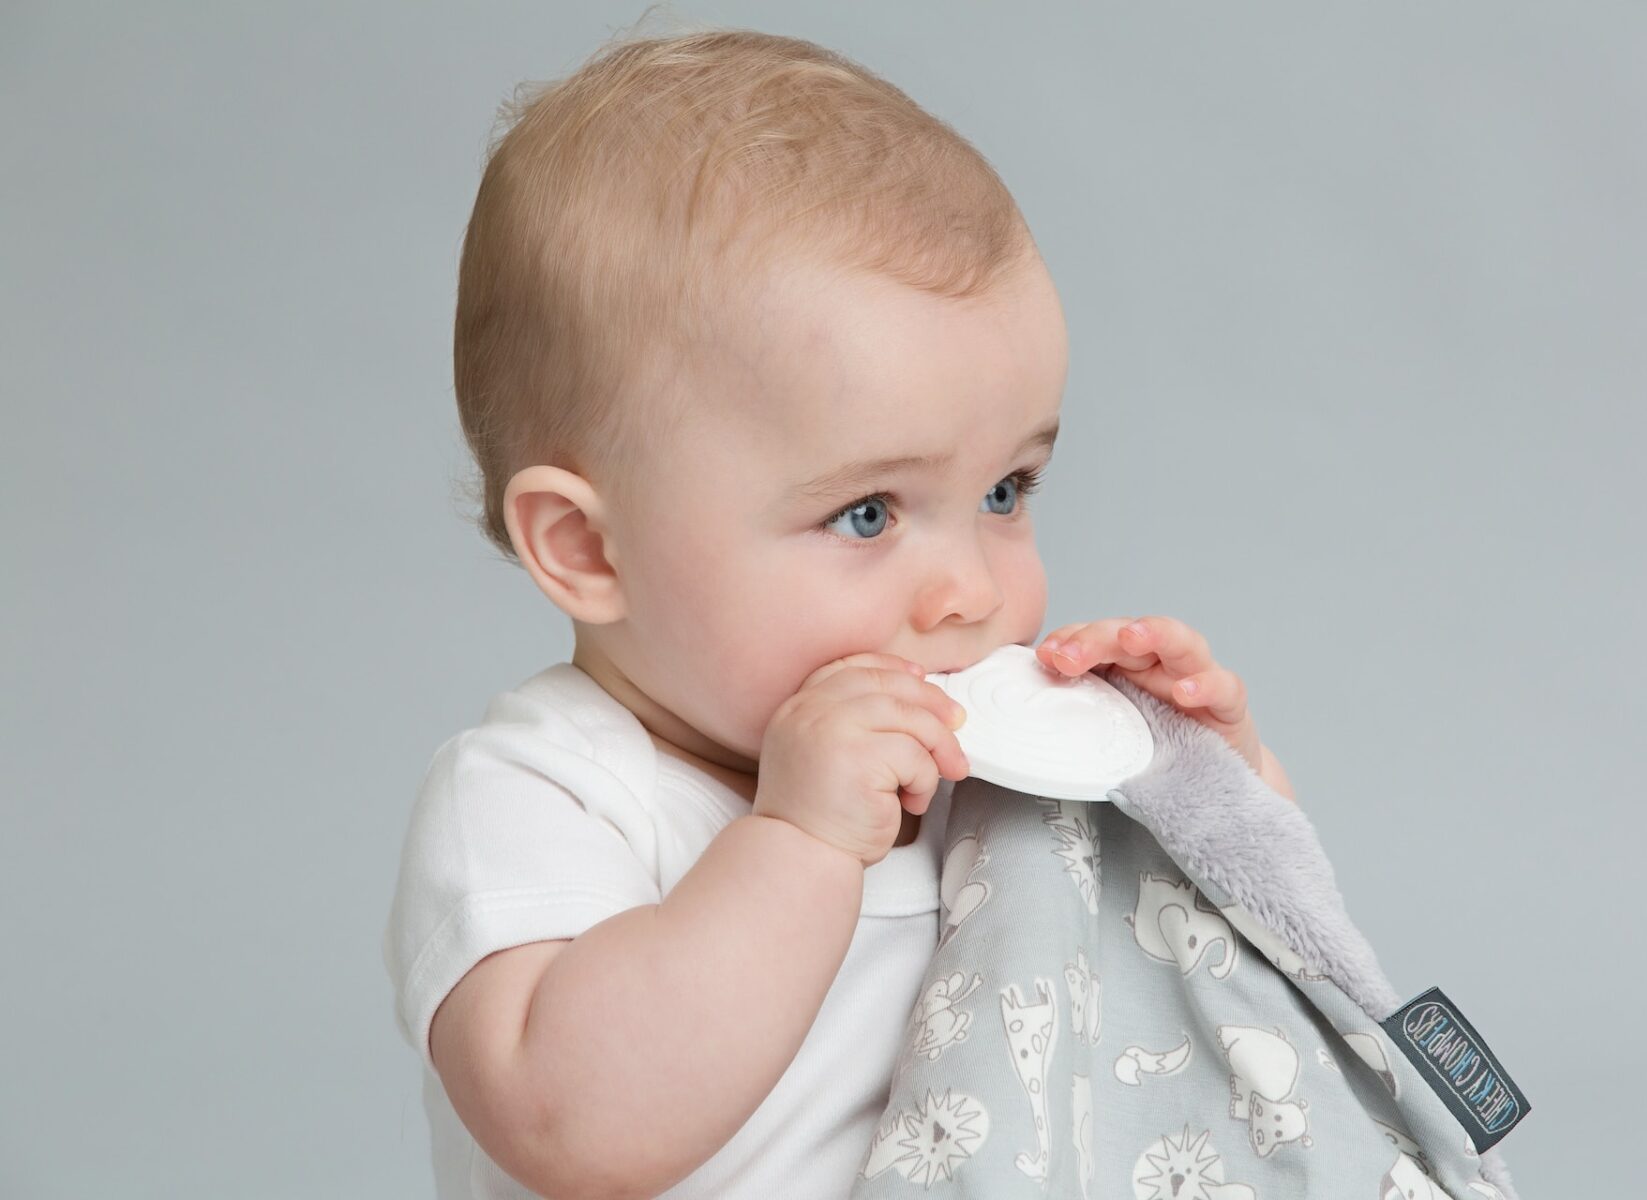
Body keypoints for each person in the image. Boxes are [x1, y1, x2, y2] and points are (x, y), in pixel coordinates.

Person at [382, 21, 1295, 1200]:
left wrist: (1216, 783)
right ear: (586, 549)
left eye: (1007, 492)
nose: (973, 590)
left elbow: (1222, 971)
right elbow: (574, 1130)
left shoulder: (987, 777)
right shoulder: (542, 798)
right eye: (868, 515)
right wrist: (800, 843)